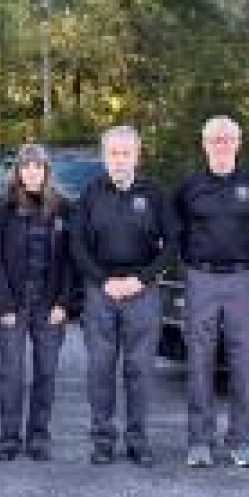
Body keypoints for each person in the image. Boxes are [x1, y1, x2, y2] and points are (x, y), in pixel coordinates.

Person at [70, 125, 176, 466]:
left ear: (137, 155)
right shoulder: (90, 193)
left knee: (140, 369)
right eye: (113, 153)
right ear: (104, 157)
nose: (119, 160)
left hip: (142, 292)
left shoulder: (155, 193)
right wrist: (104, 281)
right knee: (100, 369)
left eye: (125, 153)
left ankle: (137, 440)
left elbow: (173, 244)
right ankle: (102, 441)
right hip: (101, 292)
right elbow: (77, 244)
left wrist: (141, 279)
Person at [173, 116, 249, 468]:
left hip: (244, 280)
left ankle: (240, 441)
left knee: (243, 362)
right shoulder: (190, 186)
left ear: (238, 143)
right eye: (215, 139)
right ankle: (199, 441)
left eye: (228, 139)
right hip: (201, 279)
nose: (222, 145)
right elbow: (176, 231)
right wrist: (189, 264)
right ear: (204, 145)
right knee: (199, 361)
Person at [0, 144, 75, 461]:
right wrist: (2, 305)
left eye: (38, 166)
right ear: (19, 172)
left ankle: (39, 436)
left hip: (49, 303)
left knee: (46, 371)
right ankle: (9, 438)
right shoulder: (1, 208)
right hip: (12, 301)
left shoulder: (64, 208)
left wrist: (64, 302)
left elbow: (70, 261)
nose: (32, 172)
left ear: (47, 171)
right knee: (11, 372)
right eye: (27, 167)